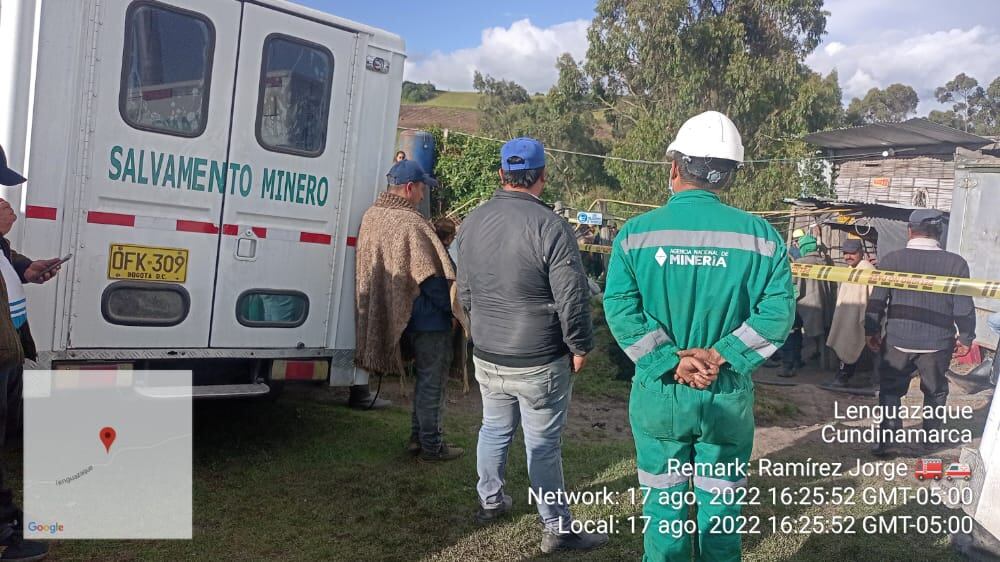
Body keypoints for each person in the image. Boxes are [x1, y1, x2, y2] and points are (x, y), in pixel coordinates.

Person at [604, 111, 795, 562]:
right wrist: (721, 355)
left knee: (665, 509)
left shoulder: (635, 236)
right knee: (722, 512)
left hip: (661, 394)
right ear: (728, 176)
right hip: (725, 394)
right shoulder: (762, 238)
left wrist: (673, 361)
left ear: (675, 167)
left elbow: (620, 308)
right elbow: (778, 313)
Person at [455, 137, 605, 553]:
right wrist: (579, 346)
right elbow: (572, 296)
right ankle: (556, 526)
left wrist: (476, 329)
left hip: (487, 351)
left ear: (502, 174)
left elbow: (464, 290)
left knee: (494, 427)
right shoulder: (552, 227)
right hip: (538, 358)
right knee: (542, 445)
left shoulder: (471, 221)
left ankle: (490, 501)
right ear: (542, 176)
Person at [354, 159, 463, 461]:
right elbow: (430, 276)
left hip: (398, 316)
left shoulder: (372, 216)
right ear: (410, 187)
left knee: (424, 382)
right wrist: (453, 310)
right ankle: (431, 445)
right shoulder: (411, 223)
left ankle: (418, 439)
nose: (424, 196)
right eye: (423, 189)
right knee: (432, 383)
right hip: (428, 318)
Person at [865, 209, 976, 456]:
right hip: (938, 342)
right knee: (935, 391)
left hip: (897, 340)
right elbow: (963, 307)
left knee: (891, 389)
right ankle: (931, 440)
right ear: (939, 232)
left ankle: (888, 439)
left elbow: (877, 300)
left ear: (909, 231)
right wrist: (966, 337)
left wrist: (871, 329)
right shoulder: (956, 264)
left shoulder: (892, 260)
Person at [0, 143, 64, 561]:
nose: (2, 197)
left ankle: (6, 518)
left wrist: (28, 269)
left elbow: (5, 258)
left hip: (7, 353)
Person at [825, 238, 876, 388]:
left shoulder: (867, 270)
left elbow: (872, 295)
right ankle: (843, 377)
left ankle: (876, 381)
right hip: (848, 316)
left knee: (871, 347)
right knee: (847, 344)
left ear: (860, 253)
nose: (848, 257)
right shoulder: (850, 269)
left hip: (863, 317)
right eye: (845, 253)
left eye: (852, 253)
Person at [794, 232, 835, 368]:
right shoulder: (825, 262)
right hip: (825, 302)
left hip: (808, 305)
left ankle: (794, 363)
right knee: (824, 332)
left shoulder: (800, 264)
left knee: (796, 331)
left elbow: (794, 286)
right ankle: (825, 362)